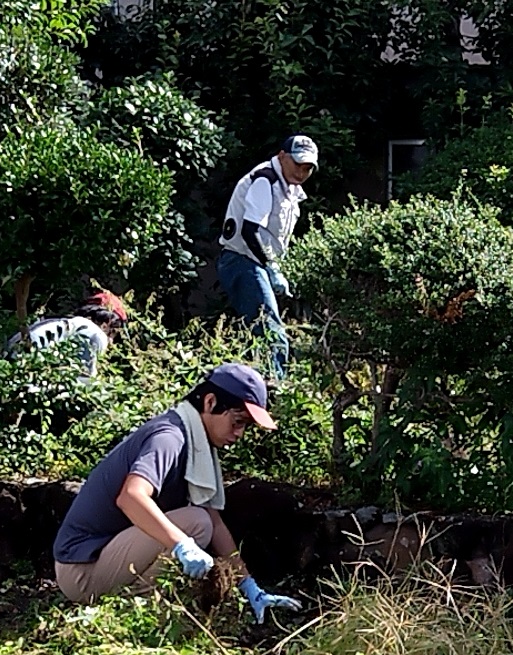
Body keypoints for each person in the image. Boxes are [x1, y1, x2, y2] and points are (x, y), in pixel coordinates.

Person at [51, 362, 303, 622]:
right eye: (237, 421)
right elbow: (131, 497)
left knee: (202, 522)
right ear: (210, 402)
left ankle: (140, 607)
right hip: (82, 570)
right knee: (195, 523)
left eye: (245, 426)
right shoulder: (170, 437)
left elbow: (215, 523)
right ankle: (137, 611)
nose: (238, 434)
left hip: (109, 557)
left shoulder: (199, 446)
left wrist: (250, 587)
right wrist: (182, 545)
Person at [216, 134, 318, 378]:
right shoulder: (266, 181)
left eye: (308, 168)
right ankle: (274, 394)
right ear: (282, 157)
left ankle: (256, 388)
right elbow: (250, 230)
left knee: (261, 335)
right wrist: (271, 266)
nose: (302, 172)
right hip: (243, 261)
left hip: (256, 263)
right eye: (298, 164)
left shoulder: (291, 189)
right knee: (272, 336)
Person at [5, 290, 131, 380]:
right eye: (114, 333)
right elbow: (84, 379)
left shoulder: (59, 324)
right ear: (106, 323)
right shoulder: (94, 333)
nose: (112, 342)